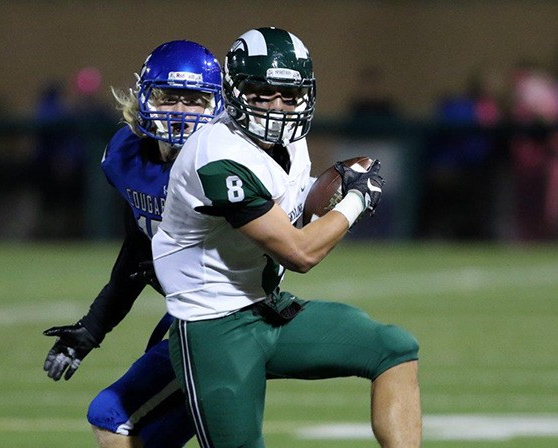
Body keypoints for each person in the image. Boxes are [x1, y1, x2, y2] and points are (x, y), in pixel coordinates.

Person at [152, 27, 421, 448]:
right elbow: (300, 252)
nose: (278, 106)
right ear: (235, 90)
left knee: (394, 349)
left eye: (289, 94)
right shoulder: (217, 157)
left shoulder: (289, 142)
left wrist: (333, 186)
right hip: (214, 326)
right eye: (262, 93)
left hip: (268, 311)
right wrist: (355, 200)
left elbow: (296, 205)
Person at [41, 40, 224, 448]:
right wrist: (92, 328)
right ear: (145, 96)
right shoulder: (125, 156)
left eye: (194, 100)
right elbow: (138, 254)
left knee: (112, 417)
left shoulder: (225, 169)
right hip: (189, 318)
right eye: (168, 97)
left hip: (226, 322)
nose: (179, 111)